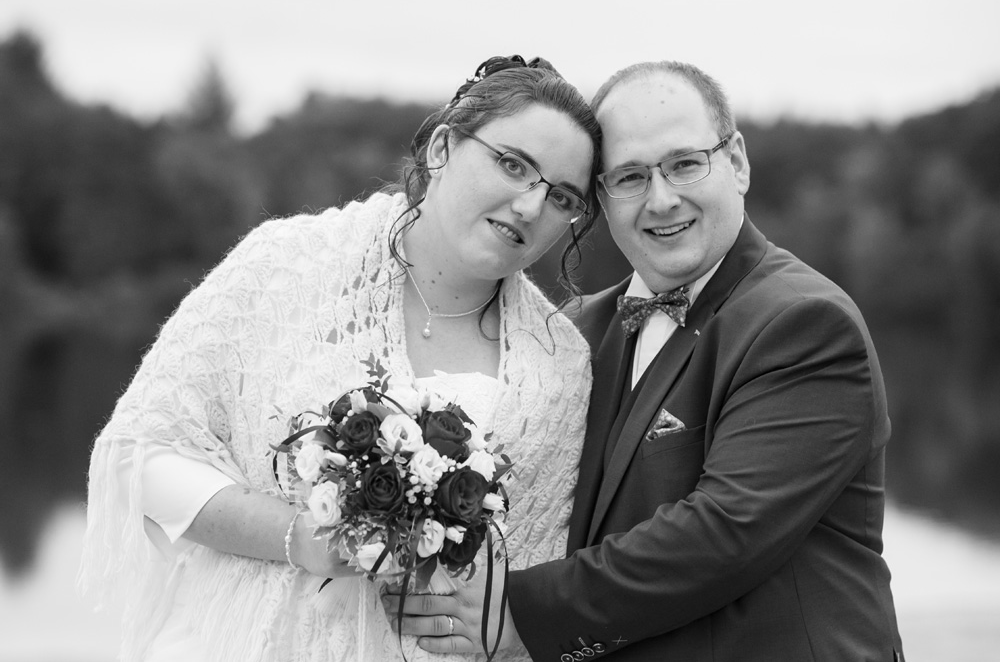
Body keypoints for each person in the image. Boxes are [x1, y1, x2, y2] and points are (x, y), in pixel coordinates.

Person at [78, 54, 602, 662]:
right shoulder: (284, 265)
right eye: (513, 165)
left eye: (562, 197)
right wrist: (298, 537)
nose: (531, 207)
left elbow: (531, 579)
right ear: (442, 148)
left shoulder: (559, 368)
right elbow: (139, 456)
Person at [390, 61, 905, 661]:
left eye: (684, 164)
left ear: (737, 162)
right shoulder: (572, 332)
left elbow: (724, 534)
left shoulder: (804, 324)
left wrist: (517, 613)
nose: (661, 200)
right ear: (602, 199)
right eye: (630, 177)